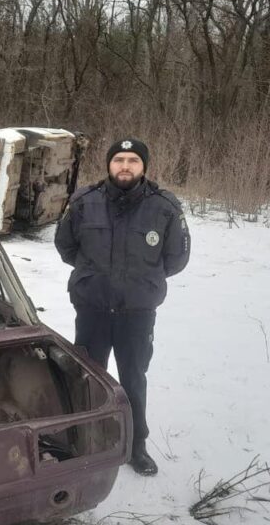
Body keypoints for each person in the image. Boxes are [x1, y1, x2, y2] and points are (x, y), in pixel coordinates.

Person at [54, 138, 190, 475]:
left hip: (136, 313)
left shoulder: (165, 207)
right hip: (93, 309)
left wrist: (140, 282)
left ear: (144, 166)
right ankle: (86, 440)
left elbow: (175, 259)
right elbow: (66, 246)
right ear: (109, 165)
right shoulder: (84, 202)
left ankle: (135, 446)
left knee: (133, 378)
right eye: (119, 160)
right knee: (88, 378)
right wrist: (93, 276)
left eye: (132, 160)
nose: (125, 166)